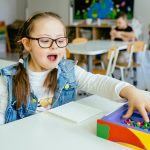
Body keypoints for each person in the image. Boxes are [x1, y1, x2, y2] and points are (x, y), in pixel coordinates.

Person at [0, 12, 150, 125]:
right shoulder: (7, 79)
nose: (54, 46)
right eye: (45, 40)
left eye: (60, 40)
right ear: (27, 44)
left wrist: (131, 91)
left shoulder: (68, 71)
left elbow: (97, 82)